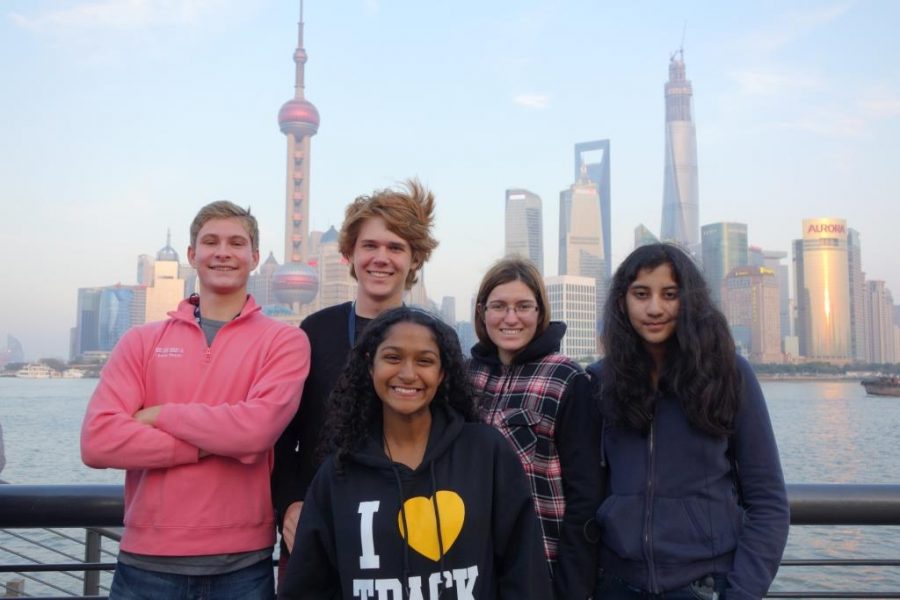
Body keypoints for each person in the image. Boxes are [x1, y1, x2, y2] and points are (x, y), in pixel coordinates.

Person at [81, 201, 311, 599]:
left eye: (236, 242)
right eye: (211, 241)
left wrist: (159, 414)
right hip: (144, 565)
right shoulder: (141, 341)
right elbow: (98, 441)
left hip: (242, 566)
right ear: (192, 255)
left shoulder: (285, 341)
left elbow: (255, 433)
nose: (223, 251)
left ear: (255, 258)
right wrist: (214, 442)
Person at [278, 306, 553, 599]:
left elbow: (524, 572)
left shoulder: (487, 453)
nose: (408, 374)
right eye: (393, 358)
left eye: (425, 360)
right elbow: (308, 588)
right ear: (371, 366)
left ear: (442, 372)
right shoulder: (338, 472)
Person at [587, 243, 790, 600]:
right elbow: (584, 492)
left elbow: (768, 502)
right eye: (641, 294)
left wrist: (742, 594)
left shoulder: (729, 375)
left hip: (704, 586)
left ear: (690, 300)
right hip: (615, 584)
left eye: (669, 294)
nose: (654, 308)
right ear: (622, 302)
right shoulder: (600, 381)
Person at [272, 179, 438, 570]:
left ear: (414, 259)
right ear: (349, 253)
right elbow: (281, 436)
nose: (381, 257)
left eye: (396, 247)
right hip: (322, 528)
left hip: (405, 534)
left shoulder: (434, 338)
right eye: (370, 245)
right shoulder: (316, 331)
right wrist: (290, 503)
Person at [467, 257, 601, 599]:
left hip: (542, 565)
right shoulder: (466, 377)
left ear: (540, 312)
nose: (511, 318)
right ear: (482, 313)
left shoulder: (567, 379)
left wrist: (573, 585)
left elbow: (585, 494)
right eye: (499, 306)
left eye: (523, 306)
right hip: (472, 562)